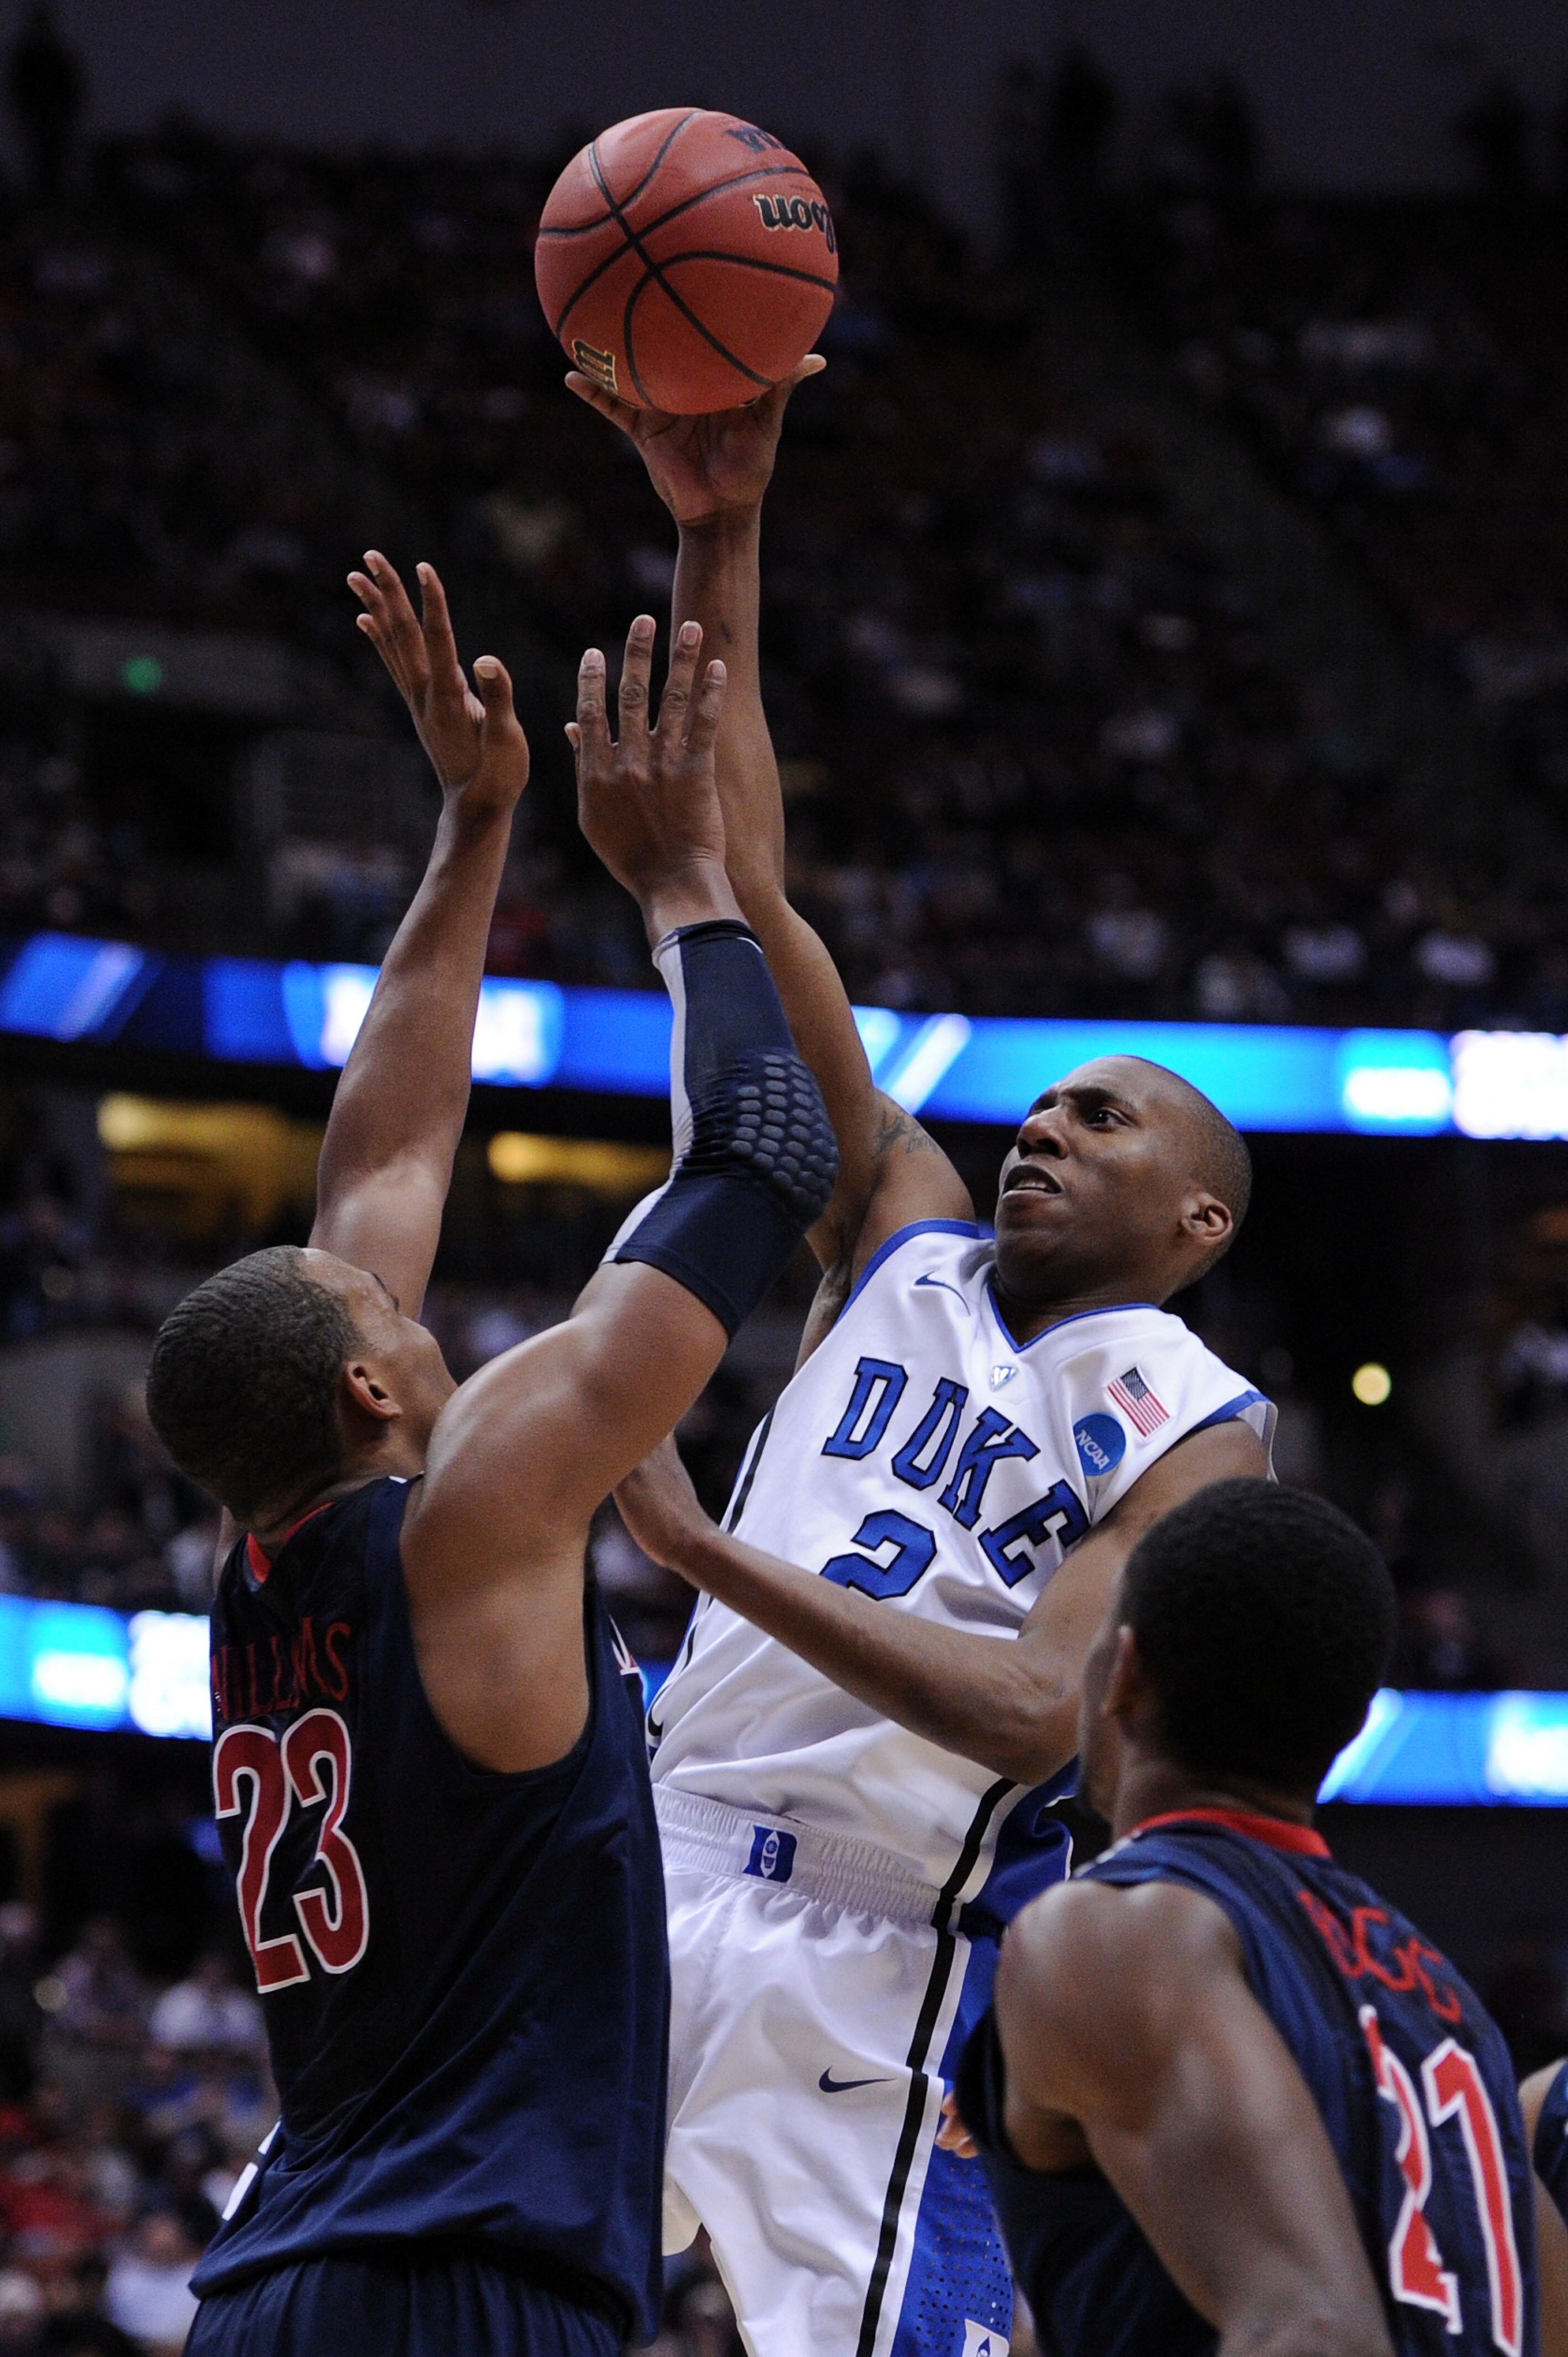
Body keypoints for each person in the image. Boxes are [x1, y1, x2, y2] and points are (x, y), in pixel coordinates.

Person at [571, 365, 1272, 2353]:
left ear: (1198, 1226)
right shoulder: (900, 1225)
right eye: (1043, 1102)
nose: (1049, 1123)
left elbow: (1046, 1713)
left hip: (874, 1964)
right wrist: (718, 526)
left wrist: (703, 1557)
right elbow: (755, 883)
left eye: (1108, 1119)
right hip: (640, 1855)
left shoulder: (1198, 1422)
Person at [142, 557, 835, 2355]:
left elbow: (386, 1143)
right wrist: (689, 886)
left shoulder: (260, 1564)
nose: (414, 1300)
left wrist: (476, 821)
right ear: (372, 1389)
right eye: (389, 1316)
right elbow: (763, 1155)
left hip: (273, 2285)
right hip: (465, 2281)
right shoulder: (477, 1517)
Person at [941, 1479, 1538, 2357]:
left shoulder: (1116, 1938)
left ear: (1126, 1673)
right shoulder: (1455, 2014)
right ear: (1352, 1725)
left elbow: (1314, 2333)